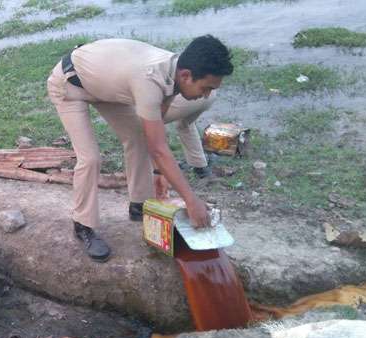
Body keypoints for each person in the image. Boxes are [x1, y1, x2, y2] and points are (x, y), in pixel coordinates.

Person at [47, 36, 234, 262]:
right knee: (91, 158)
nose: (206, 95)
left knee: (136, 136)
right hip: (70, 84)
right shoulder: (150, 80)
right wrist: (192, 201)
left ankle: (139, 204)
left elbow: (153, 136)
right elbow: (159, 149)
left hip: (105, 86)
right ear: (186, 75)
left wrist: (158, 172)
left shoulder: (175, 73)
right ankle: (83, 225)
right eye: (206, 88)